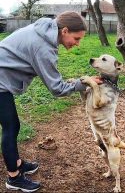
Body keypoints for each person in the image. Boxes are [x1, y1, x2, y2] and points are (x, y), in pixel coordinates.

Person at [0, 11, 102, 192]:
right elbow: (57, 89)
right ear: (64, 31)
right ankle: (13, 178)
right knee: (10, 127)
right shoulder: (43, 47)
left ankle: (16, 163)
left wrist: (79, 82)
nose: (77, 44)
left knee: (13, 125)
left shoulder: (45, 29)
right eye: (76, 38)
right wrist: (83, 83)